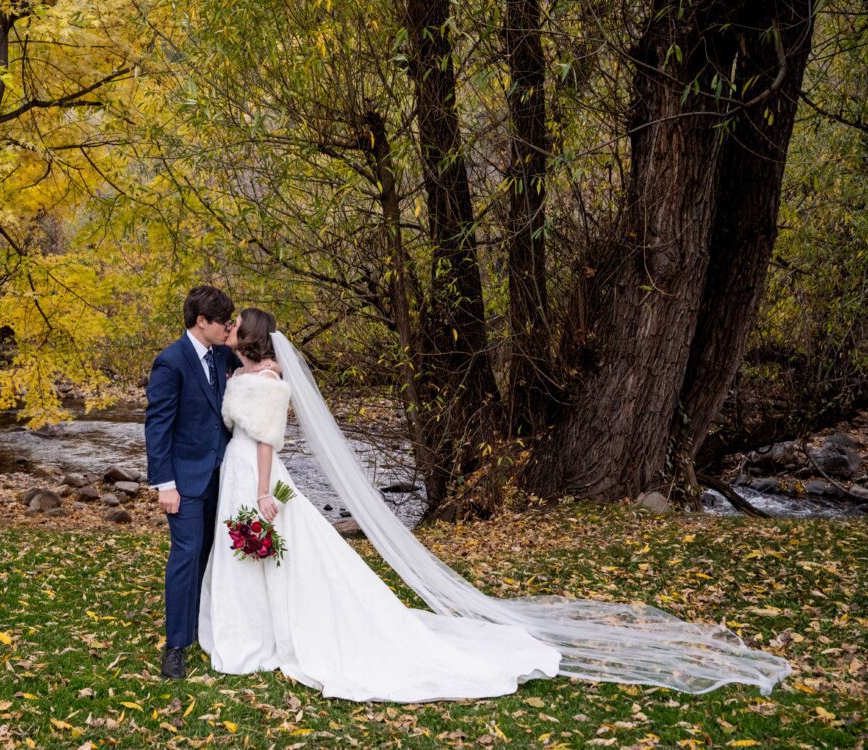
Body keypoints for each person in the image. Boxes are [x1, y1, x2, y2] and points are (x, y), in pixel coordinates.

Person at [195, 308, 792, 701]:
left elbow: (267, 441)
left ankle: (275, 635)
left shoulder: (268, 381)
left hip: (256, 476)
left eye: (236, 324)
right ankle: (255, 630)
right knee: (262, 557)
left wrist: (263, 495)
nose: (230, 327)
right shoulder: (243, 372)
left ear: (247, 339)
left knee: (282, 553)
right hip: (236, 470)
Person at [143, 285, 238, 679]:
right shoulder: (171, 362)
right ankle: (176, 646)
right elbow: (157, 426)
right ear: (201, 321)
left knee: (210, 554)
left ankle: (203, 625)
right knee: (186, 553)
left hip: (224, 475)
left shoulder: (224, 354)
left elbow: (259, 357)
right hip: (183, 480)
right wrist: (165, 483)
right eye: (223, 322)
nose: (227, 328)